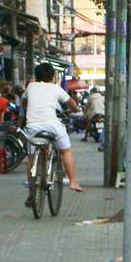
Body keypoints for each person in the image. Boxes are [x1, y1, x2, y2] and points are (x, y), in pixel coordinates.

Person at [21, 62, 84, 203]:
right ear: (53, 76)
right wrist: (75, 110)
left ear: (36, 76)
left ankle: (32, 190)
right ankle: (73, 181)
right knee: (65, 151)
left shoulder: (30, 86)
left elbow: (24, 102)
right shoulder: (56, 88)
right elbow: (72, 104)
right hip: (52, 125)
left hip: (32, 127)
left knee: (30, 157)